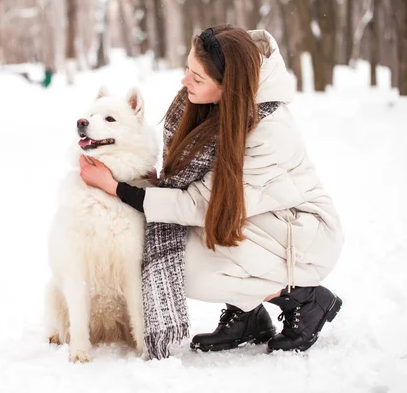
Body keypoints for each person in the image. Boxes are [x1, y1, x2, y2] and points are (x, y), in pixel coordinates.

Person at [78, 25, 343, 358]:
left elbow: (197, 203)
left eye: (197, 78)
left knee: (179, 267)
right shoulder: (217, 101)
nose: (184, 82)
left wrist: (116, 188)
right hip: (258, 218)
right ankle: (248, 316)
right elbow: (191, 184)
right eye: (188, 69)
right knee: (174, 243)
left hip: (300, 235)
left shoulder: (269, 131)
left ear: (227, 86)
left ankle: (304, 297)